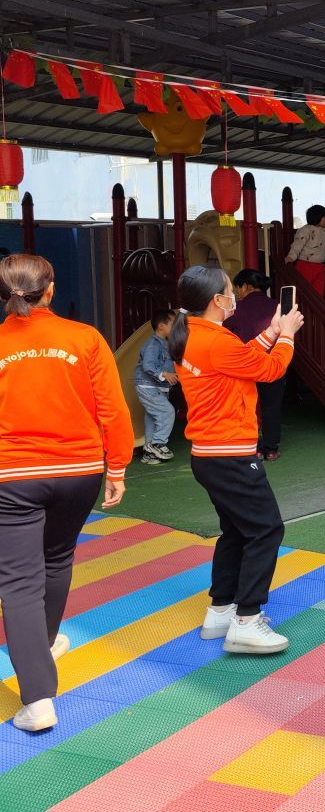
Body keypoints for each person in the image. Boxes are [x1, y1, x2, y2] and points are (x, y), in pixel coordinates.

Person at [0, 254, 132, 732]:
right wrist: (118, 466)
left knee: (18, 582)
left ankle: (38, 700)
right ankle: (45, 642)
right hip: (80, 470)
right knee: (56, 559)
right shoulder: (84, 338)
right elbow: (113, 409)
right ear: (50, 289)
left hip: (13, 475)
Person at [170, 265, 302, 656]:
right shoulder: (214, 340)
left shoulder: (191, 334)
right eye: (230, 291)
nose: (235, 297)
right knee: (266, 530)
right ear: (217, 300)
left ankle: (221, 610)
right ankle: (246, 619)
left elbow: (241, 359)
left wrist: (272, 331)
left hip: (209, 454)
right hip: (229, 453)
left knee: (237, 531)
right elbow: (270, 369)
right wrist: (288, 336)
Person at [224, 270, 285, 462]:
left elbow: (224, 333)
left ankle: (253, 448)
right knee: (272, 406)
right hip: (273, 363)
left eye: (238, 288)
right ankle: (271, 449)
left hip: (245, 364)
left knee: (247, 406)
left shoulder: (237, 309)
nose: (237, 293)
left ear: (246, 286)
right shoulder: (277, 306)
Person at [135, 309, 178, 465]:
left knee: (153, 418)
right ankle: (158, 444)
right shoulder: (153, 344)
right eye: (173, 324)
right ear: (161, 326)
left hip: (158, 387)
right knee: (167, 412)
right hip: (148, 386)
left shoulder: (166, 344)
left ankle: (149, 453)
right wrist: (164, 374)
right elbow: (148, 365)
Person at [284, 204, 325, 297]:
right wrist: (291, 257)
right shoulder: (306, 230)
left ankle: (317, 305)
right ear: (316, 217)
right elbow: (297, 245)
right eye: (324, 217)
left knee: (318, 292)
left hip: (320, 265)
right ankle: (303, 305)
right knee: (303, 291)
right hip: (305, 265)